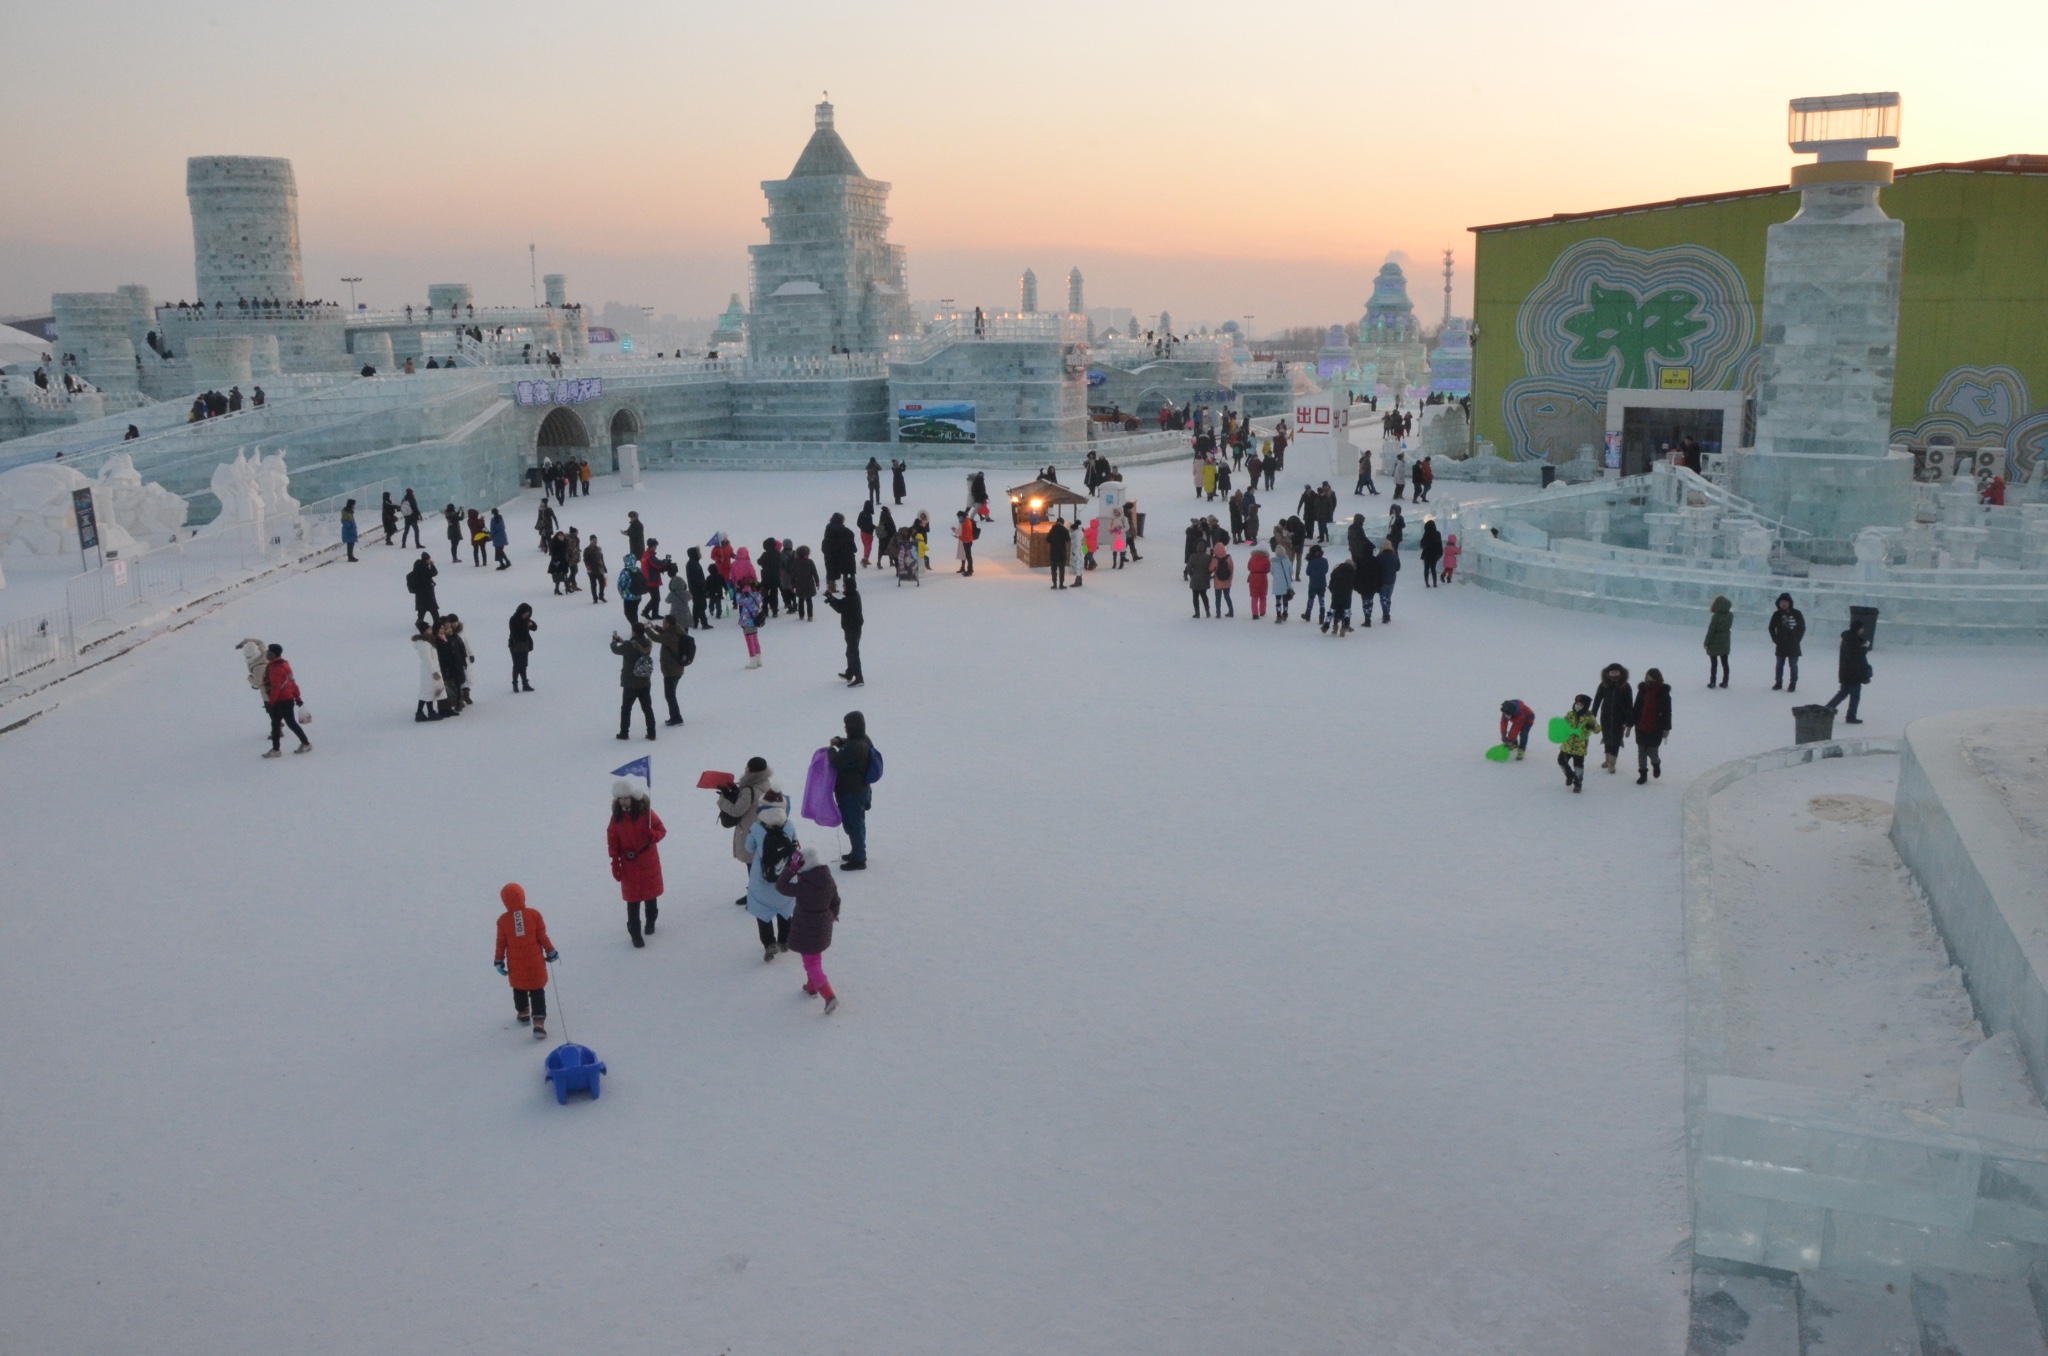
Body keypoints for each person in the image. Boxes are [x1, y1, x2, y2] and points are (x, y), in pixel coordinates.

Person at [778, 848, 842, 1013]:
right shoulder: (827, 880)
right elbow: (836, 901)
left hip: (807, 928)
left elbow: (780, 886)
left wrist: (790, 870)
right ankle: (812, 986)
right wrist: (830, 917)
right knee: (815, 958)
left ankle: (829, 996)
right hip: (824, 926)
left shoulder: (804, 886)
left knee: (811, 963)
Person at [492, 883, 559, 1039]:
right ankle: (538, 1022)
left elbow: (500, 943)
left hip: (516, 966)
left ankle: (523, 1012)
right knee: (537, 991)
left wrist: (498, 961)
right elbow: (542, 937)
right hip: (535, 964)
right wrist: (551, 951)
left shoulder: (503, 921)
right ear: (523, 897)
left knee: (519, 988)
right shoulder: (534, 915)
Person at [607, 776, 666, 947]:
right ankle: (634, 933)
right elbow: (613, 842)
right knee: (632, 900)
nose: (624, 802)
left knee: (650, 895)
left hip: (648, 861)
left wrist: (653, 835)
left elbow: (661, 830)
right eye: (620, 799)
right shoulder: (616, 819)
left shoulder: (645, 813)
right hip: (629, 864)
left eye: (626, 798)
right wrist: (615, 863)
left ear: (632, 797)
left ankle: (651, 921)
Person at [743, 793, 800, 960]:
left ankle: (769, 943)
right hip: (786, 878)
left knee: (763, 912)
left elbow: (749, 848)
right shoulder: (789, 825)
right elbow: (795, 845)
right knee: (785, 909)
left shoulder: (756, 827)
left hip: (762, 879)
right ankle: (785, 940)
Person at [720, 757, 776, 907]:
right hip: (763, 830)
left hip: (750, 833)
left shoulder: (748, 789)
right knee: (759, 865)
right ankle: (756, 893)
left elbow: (736, 810)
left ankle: (756, 897)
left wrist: (722, 800)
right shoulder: (765, 784)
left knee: (752, 866)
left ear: (750, 770)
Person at [828, 710, 874, 870]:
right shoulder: (863, 740)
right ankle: (858, 851)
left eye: (847, 726)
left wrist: (830, 750)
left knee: (853, 825)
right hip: (860, 789)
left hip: (851, 792)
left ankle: (859, 859)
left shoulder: (856, 746)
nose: (845, 728)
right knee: (858, 823)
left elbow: (836, 761)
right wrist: (840, 741)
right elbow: (848, 743)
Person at [260, 644, 312, 758]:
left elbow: (276, 687)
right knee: (281, 724)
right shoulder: (284, 664)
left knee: (283, 724)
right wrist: (297, 698)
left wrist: (271, 702)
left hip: (281, 701)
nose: (267, 653)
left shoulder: (274, 668)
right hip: (288, 699)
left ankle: (279, 749)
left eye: (269, 652)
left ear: (274, 654)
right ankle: (279, 748)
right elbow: (292, 682)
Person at [611, 624, 657, 740]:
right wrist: (622, 641)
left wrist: (614, 641)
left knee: (626, 708)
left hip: (630, 682)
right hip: (644, 681)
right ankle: (651, 733)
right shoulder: (647, 643)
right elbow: (634, 645)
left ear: (633, 631)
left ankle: (624, 732)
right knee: (647, 709)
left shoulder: (629, 645)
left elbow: (615, 650)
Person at [1825, 621, 1872, 725]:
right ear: (1859, 629)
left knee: (1843, 693)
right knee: (1855, 696)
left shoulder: (1846, 639)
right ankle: (1851, 716)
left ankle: (1826, 710)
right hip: (1854, 673)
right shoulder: (1855, 640)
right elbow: (1857, 656)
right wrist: (1865, 648)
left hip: (1845, 672)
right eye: (1862, 628)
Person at [1633, 668, 1672, 783]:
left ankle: (1656, 764)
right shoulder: (1642, 690)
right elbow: (1636, 708)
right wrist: (1629, 723)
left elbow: (1667, 712)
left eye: (1652, 678)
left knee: (1652, 752)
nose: (1649, 680)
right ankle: (1643, 773)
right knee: (1641, 751)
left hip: (1655, 727)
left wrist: (1666, 728)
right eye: (1648, 677)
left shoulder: (1663, 692)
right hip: (1641, 726)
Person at [654, 614, 694, 725]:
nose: (662, 624)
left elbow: (657, 638)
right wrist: (655, 628)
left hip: (671, 670)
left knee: (670, 695)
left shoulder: (671, 636)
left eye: (664, 623)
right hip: (676, 669)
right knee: (671, 694)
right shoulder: (676, 631)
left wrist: (648, 630)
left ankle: (676, 717)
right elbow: (665, 634)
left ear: (668, 624)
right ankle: (675, 716)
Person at [1592, 663, 1633, 774]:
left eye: (1616, 672)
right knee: (1606, 738)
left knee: (1616, 740)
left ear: (1621, 673)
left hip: (1620, 719)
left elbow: (1630, 704)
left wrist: (1627, 721)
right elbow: (1597, 700)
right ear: (1608, 673)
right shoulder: (1603, 685)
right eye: (1612, 672)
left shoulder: (1626, 686)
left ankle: (1612, 763)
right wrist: (1593, 714)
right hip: (1605, 717)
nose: (1614, 675)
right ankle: (1607, 759)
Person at [824, 576, 864, 686]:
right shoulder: (852, 595)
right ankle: (850, 673)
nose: (843, 587)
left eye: (844, 585)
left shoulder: (852, 598)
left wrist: (831, 599)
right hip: (851, 628)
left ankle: (859, 678)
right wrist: (831, 598)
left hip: (853, 629)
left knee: (853, 652)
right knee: (850, 652)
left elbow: (840, 608)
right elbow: (842, 604)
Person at [1557, 694, 1599, 793]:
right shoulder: (1570, 714)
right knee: (1561, 761)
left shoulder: (1589, 717)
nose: (1578, 705)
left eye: (1581, 704)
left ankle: (1578, 783)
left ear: (1586, 706)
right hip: (1567, 745)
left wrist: (1591, 726)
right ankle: (1569, 775)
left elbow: (1597, 729)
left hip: (1579, 747)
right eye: (1577, 703)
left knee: (1578, 766)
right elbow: (1563, 725)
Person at [1768, 593, 1806, 692]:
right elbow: (1771, 627)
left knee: (1793, 665)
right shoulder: (1777, 614)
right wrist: (1775, 639)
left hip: (1793, 645)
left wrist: (1797, 639)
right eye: (1781, 602)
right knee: (1779, 664)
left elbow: (1802, 627)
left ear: (1789, 603)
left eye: (1785, 602)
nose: (1783, 604)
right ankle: (1778, 682)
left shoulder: (1797, 613)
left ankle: (1793, 683)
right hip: (1781, 644)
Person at [437, 615, 474, 711]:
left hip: (458, 662)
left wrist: (467, 657)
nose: (449, 625)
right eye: (447, 624)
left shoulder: (455, 635)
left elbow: (462, 646)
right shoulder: (441, 637)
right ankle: (456, 701)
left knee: (461, 681)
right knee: (452, 683)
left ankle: (461, 699)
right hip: (448, 664)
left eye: (450, 623)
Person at [413, 621, 447, 720]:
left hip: (431, 671)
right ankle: (429, 712)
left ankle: (421, 713)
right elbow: (427, 659)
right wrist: (434, 672)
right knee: (429, 692)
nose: (431, 631)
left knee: (427, 692)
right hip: (430, 672)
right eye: (429, 629)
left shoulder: (428, 642)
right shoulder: (424, 644)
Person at [822, 512, 857, 595]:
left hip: (829, 551)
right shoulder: (844, 530)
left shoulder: (829, 528)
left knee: (830, 569)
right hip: (842, 552)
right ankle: (848, 587)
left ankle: (831, 586)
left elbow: (826, 540)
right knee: (846, 570)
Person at [1704, 595, 1733, 689]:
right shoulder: (1730, 615)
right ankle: (1725, 682)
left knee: (1714, 664)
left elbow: (1711, 631)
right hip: (1725, 641)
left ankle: (1712, 682)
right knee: (1725, 663)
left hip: (1714, 642)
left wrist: (1706, 642)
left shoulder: (1716, 617)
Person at [508, 604, 537, 693]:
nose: (526, 615)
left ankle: (525, 684)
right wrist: (525, 624)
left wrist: (530, 624)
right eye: (525, 613)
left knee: (524, 664)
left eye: (528, 613)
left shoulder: (527, 620)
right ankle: (515, 684)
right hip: (515, 645)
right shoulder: (514, 619)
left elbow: (535, 628)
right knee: (517, 665)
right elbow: (516, 632)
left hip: (524, 645)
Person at [736, 577, 764, 670]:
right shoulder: (758, 597)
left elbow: (739, 601)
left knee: (750, 642)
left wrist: (739, 591)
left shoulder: (748, 599)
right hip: (755, 621)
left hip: (747, 622)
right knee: (755, 641)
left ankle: (753, 661)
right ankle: (758, 660)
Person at [1324, 557, 1355, 636]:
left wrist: (1333, 591)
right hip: (1347, 595)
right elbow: (1355, 583)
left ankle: (1331, 626)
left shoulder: (1336, 570)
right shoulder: (1353, 572)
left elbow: (1331, 583)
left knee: (1333, 609)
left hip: (1336, 594)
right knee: (1346, 611)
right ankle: (1345, 627)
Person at [788, 545, 819, 621]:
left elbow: (793, 574)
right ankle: (806, 615)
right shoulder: (809, 562)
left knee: (804, 600)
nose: (807, 556)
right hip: (806, 584)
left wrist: (792, 583)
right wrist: (817, 581)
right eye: (806, 554)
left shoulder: (796, 563)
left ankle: (805, 616)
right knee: (806, 600)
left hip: (801, 584)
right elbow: (814, 573)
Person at [1269, 536, 1294, 622]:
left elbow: (1272, 572)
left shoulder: (1274, 563)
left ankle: (1278, 615)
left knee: (1278, 600)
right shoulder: (1287, 561)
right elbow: (1292, 571)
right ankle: (1285, 613)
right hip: (1286, 584)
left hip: (1277, 584)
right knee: (1285, 600)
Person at [1375, 538, 1400, 622]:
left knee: (1383, 598)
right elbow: (1398, 567)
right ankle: (1387, 613)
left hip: (1382, 580)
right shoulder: (1395, 556)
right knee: (1388, 597)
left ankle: (1386, 614)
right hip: (1392, 579)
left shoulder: (1380, 557)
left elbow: (1376, 568)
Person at [1302, 544, 1328, 625]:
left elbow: (1307, 572)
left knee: (1310, 600)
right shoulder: (1325, 561)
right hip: (1322, 584)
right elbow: (1326, 570)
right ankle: (1322, 617)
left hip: (1313, 584)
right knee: (1322, 601)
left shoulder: (1311, 562)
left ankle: (1308, 614)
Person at [1246, 543, 1270, 619]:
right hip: (1263, 578)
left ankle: (1255, 613)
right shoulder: (1266, 559)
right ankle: (1262, 611)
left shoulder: (1252, 558)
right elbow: (1268, 569)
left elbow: (1249, 567)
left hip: (1253, 577)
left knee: (1254, 596)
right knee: (1263, 596)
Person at [1210, 542, 1235, 617]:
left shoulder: (1215, 559)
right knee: (1227, 596)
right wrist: (1230, 579)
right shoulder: (1228, 557)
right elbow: (1231, 568)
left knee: (1218, 598)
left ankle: (1218, 613)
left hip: (1218, 582)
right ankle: (1231, 611)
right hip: (1227, 581)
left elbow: (1210, 569)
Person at [1419, 518, 1443, 587]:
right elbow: (1439, 544)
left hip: (1426, 554)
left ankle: (1427, 582)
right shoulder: (1437, 534)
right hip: (1435, 554)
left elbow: (1422, 544)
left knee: (1426, 568)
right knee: (1433, 568)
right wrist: (1440, 553)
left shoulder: (1426, 534)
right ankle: (1435, 583)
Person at [584, 535, 607, 602]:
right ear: (590, 540)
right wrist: (588, 567)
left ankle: (601, 596)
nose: (595, 541)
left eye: (596, 540)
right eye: (593, 540)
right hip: (592, 570)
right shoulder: (587, 549)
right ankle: (595, 598)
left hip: (599, 569)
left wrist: (604, 567)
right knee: (593, 585)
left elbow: (601, 559)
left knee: (602, 583)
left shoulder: (599, 548)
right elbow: (586, 560)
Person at [954, 511, 977, 576]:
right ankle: (969, 569)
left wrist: (959, 537)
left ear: (961, 516)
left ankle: (970, 570)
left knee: (968, 556)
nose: (958, 518)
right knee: (968, 556)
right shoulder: (968, 521)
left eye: (958, 517)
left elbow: (965, 534)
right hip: (968, 540)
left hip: (967, 541)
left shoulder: (965, 523)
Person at [857, 501, 877, 567]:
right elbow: (869, 524)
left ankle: (866, 559)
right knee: (869, 547)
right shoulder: (868, 515)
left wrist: (862, 528)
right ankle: (865, 559)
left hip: (862, 532)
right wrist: (875, 527)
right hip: (868, 533)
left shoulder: (861, 513)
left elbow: (858, 523)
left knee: (865, 546)